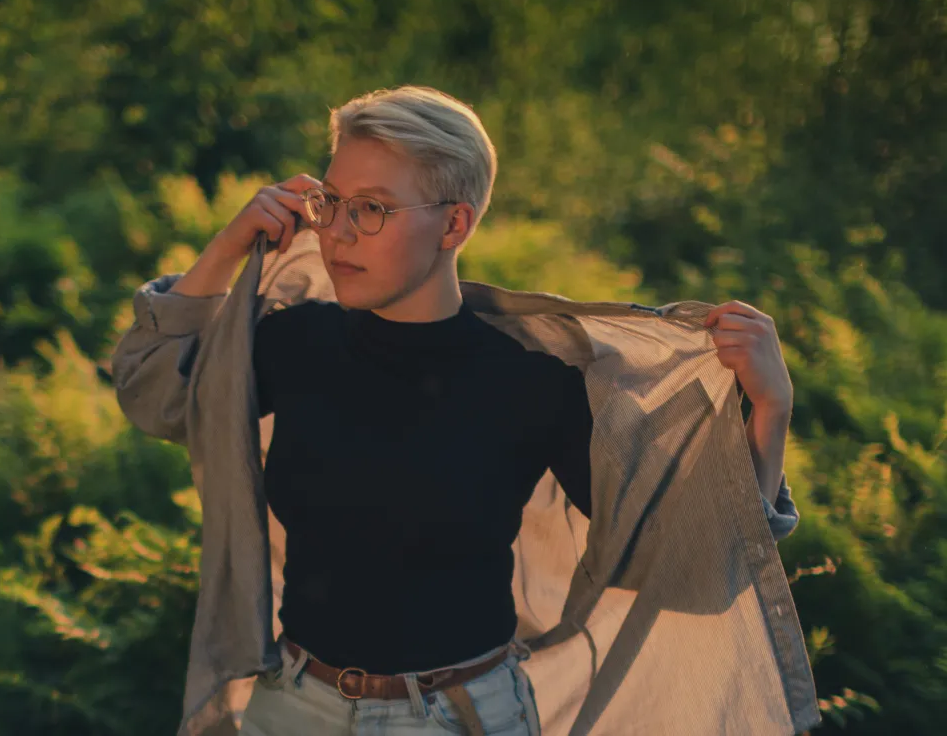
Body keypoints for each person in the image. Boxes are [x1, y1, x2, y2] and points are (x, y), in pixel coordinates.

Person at [112, 86, 811, 736]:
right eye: (332, 201)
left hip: (464, 718)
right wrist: (230, 245)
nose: (337, 234)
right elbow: (154, 392)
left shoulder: (531, 380)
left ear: (454, 223)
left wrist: (770, 409)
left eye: (373, 208)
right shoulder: (296, 341)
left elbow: (687, 564)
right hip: (292, 708)